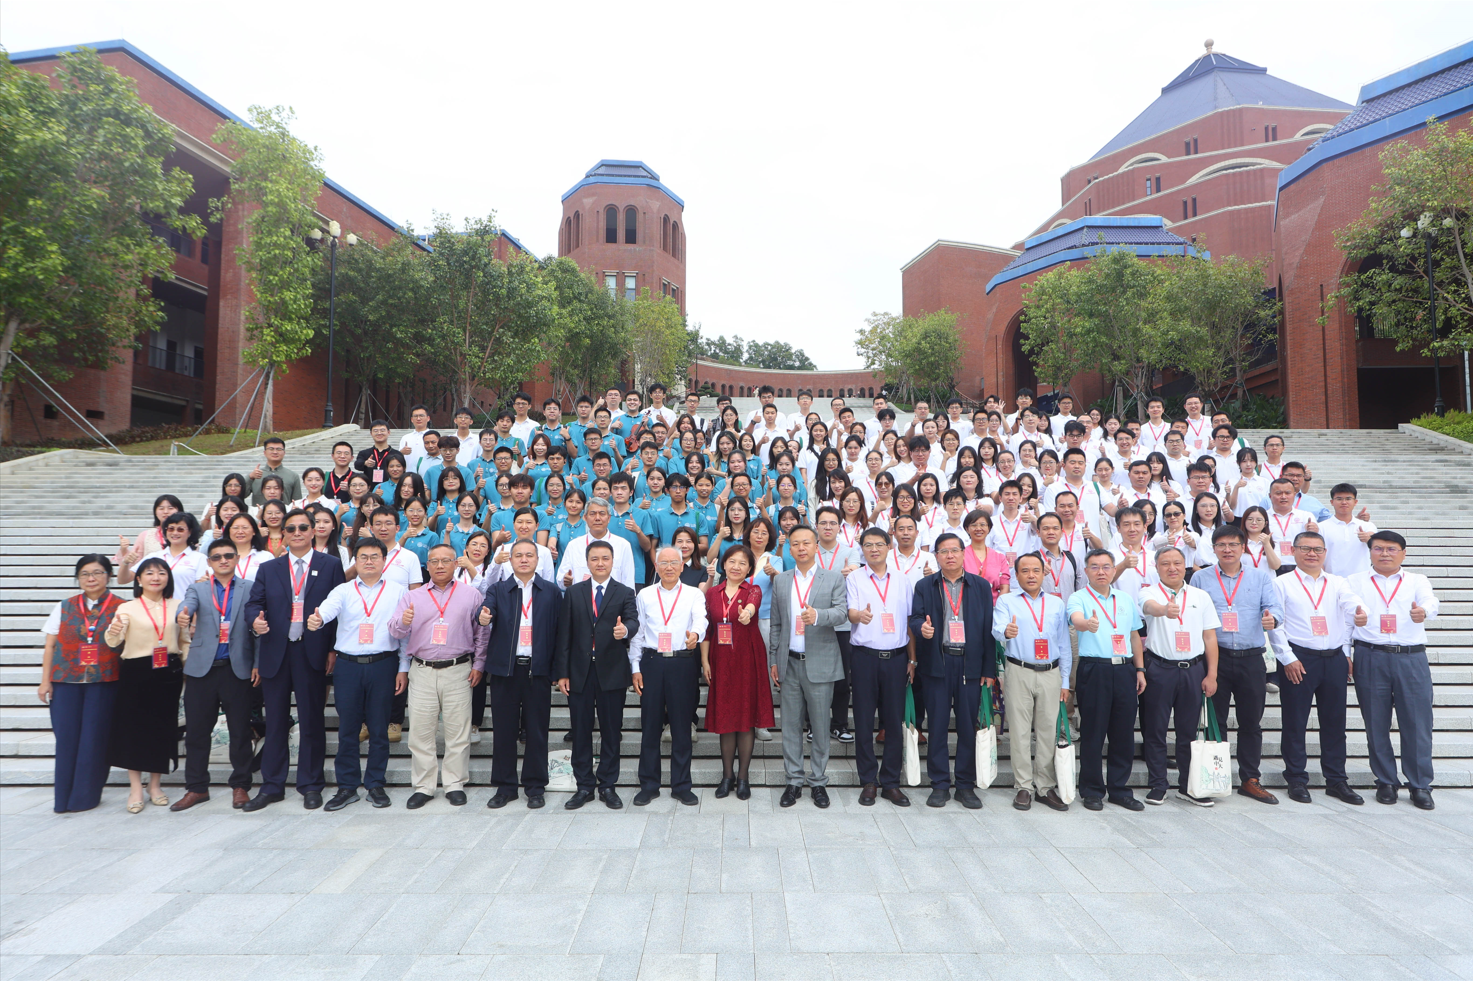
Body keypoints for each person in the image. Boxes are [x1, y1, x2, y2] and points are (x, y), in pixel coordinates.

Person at [242, 509, 345, 811]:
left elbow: (339, 609)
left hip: (311, 652)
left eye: (303, 527)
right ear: (283, 534)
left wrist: (332, 649)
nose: (297, 533)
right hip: (276, 651)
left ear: (313, 531)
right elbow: (254, 604)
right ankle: (272, 786)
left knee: (311, 720)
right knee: (275, 722)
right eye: (291, 528)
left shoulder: (330, 565)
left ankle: (311, 785)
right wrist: (254, 621)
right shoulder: (269, 568)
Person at [1268, 531, 1369, 805]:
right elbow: (1276, 624)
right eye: (1305, 548)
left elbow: (1349, 606)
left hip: (1334, 659)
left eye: (1317, 549)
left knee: (1335, 722)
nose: (1312, 554)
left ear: (1325, 553)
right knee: (1295, 722)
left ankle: (1336, 780)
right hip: (1300, 658)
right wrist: (1287, 658)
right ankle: (1296, 779)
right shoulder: (1282, 583)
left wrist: (1359, 613)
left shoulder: (1338, 582)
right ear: (1294, 551)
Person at [389, 543, 490, 809]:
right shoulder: (413, 597)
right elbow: (395, 631)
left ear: (456, 564)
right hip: (422, 670)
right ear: (427, 566)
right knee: (421, 732)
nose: (440, 565)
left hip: (459, 670)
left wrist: (479, 664)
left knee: (458, 731)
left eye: (446, 560)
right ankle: (424, 786)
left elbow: (482, 633)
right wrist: (404, 621)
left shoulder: (471, 595)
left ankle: (454, 784)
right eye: (434, 561)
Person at [1348, 531, 1439, 810]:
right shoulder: (1354, 581)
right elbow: (1346, 614)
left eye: (1391, 549)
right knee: (1375, 722)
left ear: (1403, 553)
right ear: (1370, 552)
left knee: (1417, 723)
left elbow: (1431, 601)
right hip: (1370, 655)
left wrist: (1423, 612)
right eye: (1378, 548)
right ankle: (1386, 781)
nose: (1384, 553)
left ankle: (1419, 784)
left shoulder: (1416, 580)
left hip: (1410, 658)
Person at [1196, 525, 1284, 804]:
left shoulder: (1259, 577)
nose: (1227, 550)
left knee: (1251, 722)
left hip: (1251, 659)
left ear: (1244, 547)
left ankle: (1250, 779)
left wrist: (1272, 619)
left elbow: (1275, 607)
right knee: (1216, 722)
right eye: (1221, 545)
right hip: (1216, 659)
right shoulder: (1201, 578)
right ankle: (1216, 777)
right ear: (1214, 549)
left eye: (1233, 544)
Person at [172, 539, 259, 811]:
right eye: (217, 557)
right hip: (202, 670)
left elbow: (258, 628)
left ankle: (241, 786)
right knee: (197, 733)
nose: (223, 560)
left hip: (238, 668)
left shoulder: (251, 588)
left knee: (240, 732)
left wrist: (257, 663)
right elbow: (186, 605)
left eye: (228, 556)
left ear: (236, 559)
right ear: (209, 562)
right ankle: (197, 788)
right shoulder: (198, 588)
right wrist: (183, 615)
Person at [910, 532, 995, 808]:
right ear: (936, 556)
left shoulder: (980, 586)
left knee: (967, 726)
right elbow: (915, 617)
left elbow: (988, 628)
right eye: (943, 551)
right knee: (936, 725)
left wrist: (989, 669)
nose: (949, 556)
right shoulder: (925, 585)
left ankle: (965, 785)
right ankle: (939, 784)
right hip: (938, 662)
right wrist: (921, 628)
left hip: (970, 665)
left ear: (963, 553)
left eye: (954, 550)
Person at [553, 540, 639, 809]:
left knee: (611, 731)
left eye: (605, 558)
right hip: (579, 671)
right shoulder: (574, 592)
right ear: (587, 562)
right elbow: (564, 634)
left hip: (612, 671)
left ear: (613, 562)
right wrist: (562, 672)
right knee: (580, 731)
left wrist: (625, 630)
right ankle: (584, 786)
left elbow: (633, 620)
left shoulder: (624, 592)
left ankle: (608, 785)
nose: (600, 563)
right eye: (595, 559)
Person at [37, 554, 125, 813]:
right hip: (65, 680)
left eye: (97, 572)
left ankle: (85, 797)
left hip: (105, 680)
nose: (91, 578)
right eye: (85, 574)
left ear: (109, 576)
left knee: (94, 738)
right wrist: (45, 682)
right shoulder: (64, 606)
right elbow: (50, 645)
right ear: (78, 578)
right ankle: (63, 799)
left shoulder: (122, 607)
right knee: (66, 738)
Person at [769, 526, 848, 808]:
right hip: (789, 663)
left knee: (820, 726)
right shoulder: (781, 581)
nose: (801, 548)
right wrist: (773, 660)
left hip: (821, 663)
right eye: (795, 544)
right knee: (790, 726)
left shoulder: (833, 578)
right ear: (789, 549)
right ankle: (793, 781)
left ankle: (818, 782)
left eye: (806, 543)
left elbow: (841, 613)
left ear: (816, 546)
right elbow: (776, 624)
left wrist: (818, 615)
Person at [1138, 546, 1222, 806]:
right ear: (1156, 567)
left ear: (1185, 565)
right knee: (1155, 729)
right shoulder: (1149, 592)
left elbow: (1210, 637)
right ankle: (1158, 784)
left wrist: (1212, 674)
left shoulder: (1200, 596)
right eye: (1165, 563)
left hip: (1193, 670)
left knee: (1188, 732)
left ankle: (1188, 786)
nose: (1171, 568)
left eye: (1177, 562)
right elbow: (1149, 608)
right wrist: (1164, 610)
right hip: (1159, 669)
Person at [103, 555, 188, 812]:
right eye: (149, 573)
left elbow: (184, 641)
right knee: (134, 729)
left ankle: (155, 785)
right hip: (137, 671)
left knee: (162, 728)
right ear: (138, 579)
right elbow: (113, 640)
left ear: (168, 578)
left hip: (168, 672)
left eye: (161, 573)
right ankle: (136, 788)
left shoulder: (178, 606)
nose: (155, 577)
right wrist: (114, 631)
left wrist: (188, 668)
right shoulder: (127, 608)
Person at [481, 540, 561, 808]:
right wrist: (484, 616)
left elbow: (560, 633)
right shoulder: (499, 589)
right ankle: (505, 787)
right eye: (518, 555)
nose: (524, 559)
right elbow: (486, 610)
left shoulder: (551, 591)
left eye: (529, 555)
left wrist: (557, 670)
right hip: (506, 670)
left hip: (538, 670)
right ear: (510, 560)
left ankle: (535, 786)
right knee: (504, 731)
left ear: (538, 560)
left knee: (537, 731)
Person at [1067, 549, 1146, 811]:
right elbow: (1076, 620)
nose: (1101, 571)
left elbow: (1134, 636)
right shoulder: (1078, 597)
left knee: (1123, 733)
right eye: (1094, 567)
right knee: (1093, 732)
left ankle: (1119, 790)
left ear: (1114, 570)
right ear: (1086, 571)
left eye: (1106, 567)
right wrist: (1086, 624)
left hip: (1124, 669)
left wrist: (1139, 669)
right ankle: (1091, 790)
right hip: (1094, 669)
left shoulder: (1124, 599)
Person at [631, 547, 709, 806]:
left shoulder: (693, 594)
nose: (668, 567)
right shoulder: (645, 594)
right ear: (656, 566)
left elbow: (701, 620)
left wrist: (695, 635)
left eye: (674, 562)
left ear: (682, 566)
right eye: (663, 563)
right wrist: (635, 667)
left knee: (681, 726)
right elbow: (638, 633)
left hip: (682, 662)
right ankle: (649, 785)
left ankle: (682, 785)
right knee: (650, 726)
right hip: (652, 663)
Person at [994, 552, 1071, 811]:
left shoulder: (1056, 603)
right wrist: (1006, 631)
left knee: (1048, 730)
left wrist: (1065, 680)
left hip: (1050, 672)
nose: (1030, 575)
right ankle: (1023, 786)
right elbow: (996, 628)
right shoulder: (1006, 601)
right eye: (1024, 571)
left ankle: (1045, 786)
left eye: (1036, 570)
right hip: (1019, 670)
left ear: (1043, 573)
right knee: (1019, 730)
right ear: (1016, 575)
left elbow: (1064, 643)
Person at [846, 527, 915, 806]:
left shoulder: (902, 580)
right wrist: (858, 616)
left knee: (894, 722)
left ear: (889, 546)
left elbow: (909, 622)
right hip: (864, 657)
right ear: (861, 549)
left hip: (897, 659)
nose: (873, 549)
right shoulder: (855, 578)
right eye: (868, 545)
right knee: (863, 720)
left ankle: (890, 782)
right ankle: (868, 781)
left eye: (879, 544)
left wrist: (912, 659)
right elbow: (850, 612)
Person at [702, 545, 770, 799]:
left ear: (749, 568)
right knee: (726, 718)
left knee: (745, 716)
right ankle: (727, 776)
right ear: (724, 564)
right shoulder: (712, 593)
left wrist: (746, 614)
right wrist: (705, 661)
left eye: (742, 563)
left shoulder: (753, 589)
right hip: (720, 659)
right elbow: (707, 629)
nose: (736, 567)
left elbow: (752, 606)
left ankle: (743, 778)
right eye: (732, 561)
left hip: (747, 658)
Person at [556, 496, 637, 589]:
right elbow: (561, 579)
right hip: (581, 597)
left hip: (614, 597)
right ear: (585, 518)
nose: (597, 518)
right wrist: (566, 580)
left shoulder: (623, 545)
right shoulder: (574, 545)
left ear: (609, 518)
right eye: (592, 514)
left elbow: (628, 582)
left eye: (602, 514)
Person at [1321, 483, 1377, 577]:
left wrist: (1368, 538)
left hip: (1361, 580)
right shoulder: (1321, 527)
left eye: (1348, 499)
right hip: (1331, 579)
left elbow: (1374, 539)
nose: (1344, 502)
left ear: (1355, 502)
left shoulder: (1367, 526)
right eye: (1339, 499)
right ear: (1332, 502)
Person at [1265, 478, 1317, 575]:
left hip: (1299, 566)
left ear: (1294, 494)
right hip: (1270, 566)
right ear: (1270, 496)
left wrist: (1315, 531)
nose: (1283, 497)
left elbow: (1315, 541)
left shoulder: (1306, 516)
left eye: (1287, 493)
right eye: (1278, 493)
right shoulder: (1263, 517)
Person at [248, 436, 303, 505]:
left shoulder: (293, 476)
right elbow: (241, 495)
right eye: (271, 449)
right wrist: (250, 477)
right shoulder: (255, 475)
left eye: (279, 449)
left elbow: (297, 502)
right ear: (265, 452)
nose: (275, 452)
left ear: (284, 453)